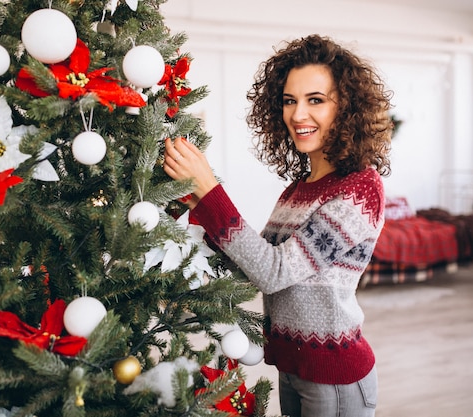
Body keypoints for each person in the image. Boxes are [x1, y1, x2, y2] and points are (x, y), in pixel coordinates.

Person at [163, 34, 392, 417]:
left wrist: (211, 191)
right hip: (293, 366)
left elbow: (276, 272)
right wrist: (198, 203)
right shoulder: (298, 189)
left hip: (333, 377)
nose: (298, 114)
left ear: (347, 109)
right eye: (289, 101)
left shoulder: (360, 188)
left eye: (315, 100)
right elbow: (256, 262)